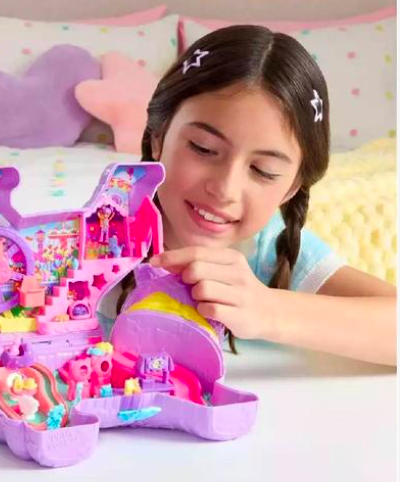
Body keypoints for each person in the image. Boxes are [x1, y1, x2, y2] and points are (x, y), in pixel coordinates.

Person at [104, 25, 395, 366]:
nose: (224, 189)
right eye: (203, 148)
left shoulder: (274, 252)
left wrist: (266, 309)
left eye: (263, 171)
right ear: (158, 138)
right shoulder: (102, 232)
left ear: (291, 187)